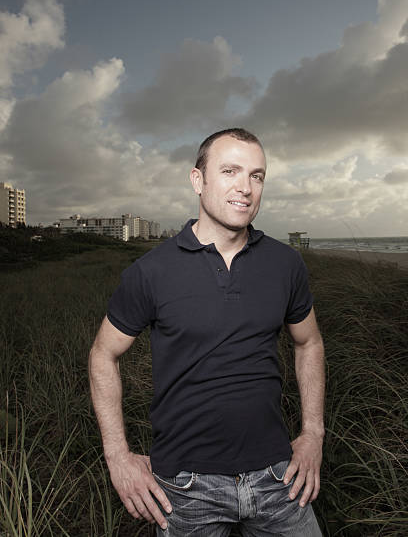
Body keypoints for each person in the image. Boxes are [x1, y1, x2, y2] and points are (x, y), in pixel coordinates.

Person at [89, 128, 325, 536]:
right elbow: (102, 354)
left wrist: (313, 433)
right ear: (197, 181)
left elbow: (309, 342)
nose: (246, 188)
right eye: (230, 171)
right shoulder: (151, 271)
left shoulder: (286, 264)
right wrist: (118, 456)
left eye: (257, 175)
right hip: (185, 487)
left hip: (277, 476)